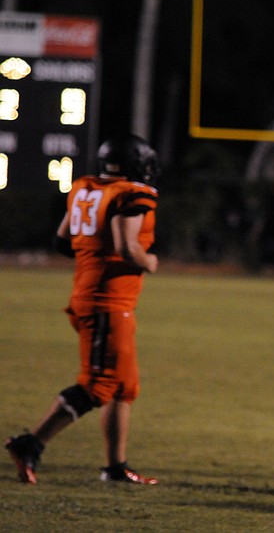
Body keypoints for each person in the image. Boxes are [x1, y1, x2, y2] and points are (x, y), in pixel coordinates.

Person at [5, 134, 161, 486]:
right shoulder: (133, 194)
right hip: (108, 302)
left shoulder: (85, 187)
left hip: (90, 295)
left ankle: (115, 467)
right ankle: (31, 443)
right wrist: (148, 261)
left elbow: (63, 240)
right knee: (100, 383)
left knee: (124, 386)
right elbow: (126, 248)